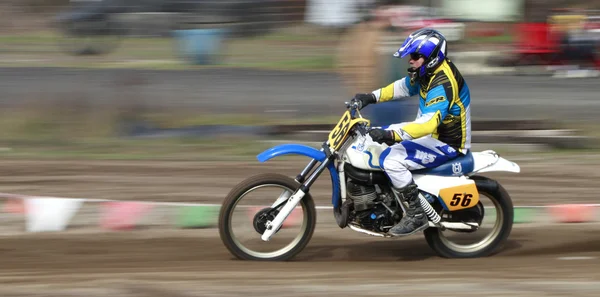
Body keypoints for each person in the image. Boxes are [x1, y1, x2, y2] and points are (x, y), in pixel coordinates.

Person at [350, 28, 471, 236]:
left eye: (415, 56)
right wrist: (371, 97)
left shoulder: (442, 83)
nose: (410, 61)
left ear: (431, 57)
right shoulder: (428, 72)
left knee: (391, 160)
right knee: (369, 141)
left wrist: (391, 136)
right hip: (432, 136)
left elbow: (427, 125)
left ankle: (416, 214)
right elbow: (403, 87)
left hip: (446, 143)